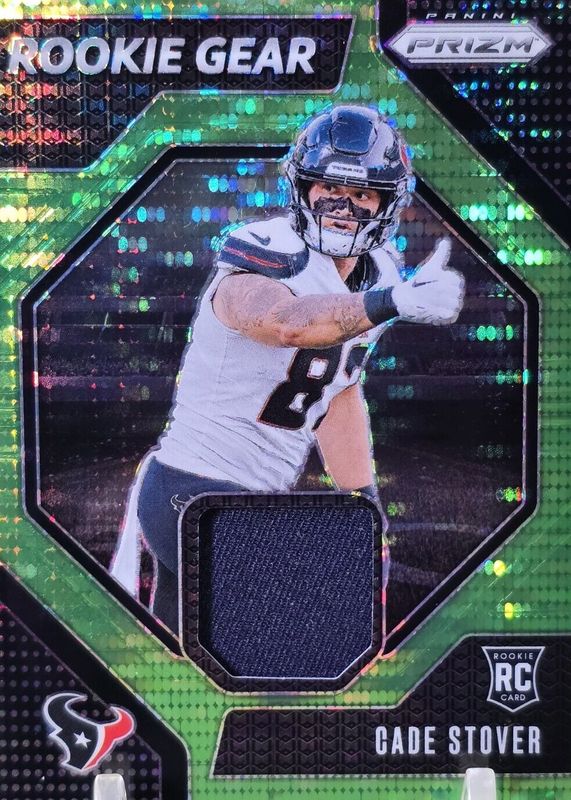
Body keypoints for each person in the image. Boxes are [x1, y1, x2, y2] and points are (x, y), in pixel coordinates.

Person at [111, 104, 464, 631]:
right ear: (302, 188)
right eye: (329, 188)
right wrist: (392, 303)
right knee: (307, 626)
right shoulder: (268, 251)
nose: (343, 207)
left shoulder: (381, 271)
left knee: (178, 655)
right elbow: (285, 323)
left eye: (362, 194)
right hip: (192, 489)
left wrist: (364, 504)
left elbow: (339, 393)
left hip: (252, 501)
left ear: (386, 203)